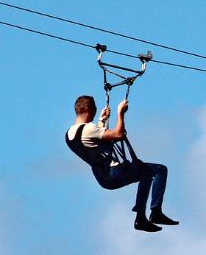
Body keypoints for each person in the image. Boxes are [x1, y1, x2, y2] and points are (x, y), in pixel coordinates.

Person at [66, 94, 178, 232]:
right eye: (94, 109)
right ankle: (150, 214)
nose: (95, 112)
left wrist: (101, 121)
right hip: (114, 172)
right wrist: (121, 113)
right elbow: (118, 134)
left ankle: (144, 217)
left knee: (145, 173)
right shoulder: (88, 129)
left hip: (103, 178)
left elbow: (95, 145)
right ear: (88, 108)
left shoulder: (69, 135)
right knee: (159, 170)